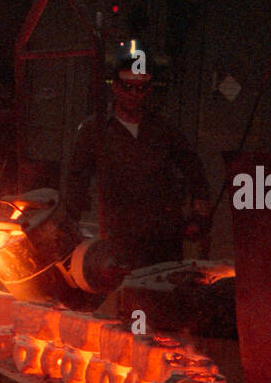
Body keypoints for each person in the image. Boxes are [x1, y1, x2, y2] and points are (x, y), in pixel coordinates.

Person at [65, 46, 211, 271]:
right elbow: (77, 179)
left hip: (163, 235)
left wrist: (199, 210)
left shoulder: (163, 129)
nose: (133, 94)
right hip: (119, 235)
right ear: (115, 87)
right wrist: (70, 223)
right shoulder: (94, 130)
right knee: (124, 294)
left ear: (149, 90)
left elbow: (193, 166)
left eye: (140, 88)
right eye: (127, 86)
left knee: (160, 290)